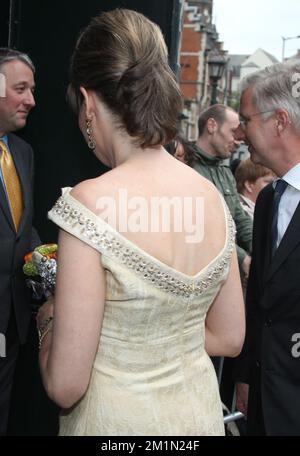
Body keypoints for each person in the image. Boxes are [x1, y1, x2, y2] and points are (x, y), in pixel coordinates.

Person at [37, 9, 245, 436]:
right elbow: (229, 336)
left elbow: (65, 385)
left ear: (88, 101)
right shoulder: (210, 196)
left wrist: (49, 320)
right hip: (197, 420)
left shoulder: (89, 205)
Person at [234, 61, 300, 435]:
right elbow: (259, 298)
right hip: (263, 401)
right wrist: (245, 375)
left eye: (246, 120)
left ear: (279, 121)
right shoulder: (270, 200)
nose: (241, 133)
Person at [0, 48, 38, 435]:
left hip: (12, 319)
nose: (31, 100)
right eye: (21, 88)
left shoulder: (22, 152)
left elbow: (21, 228)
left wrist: (48, 260)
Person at [193, 105, 253, 280]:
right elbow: (201, 228)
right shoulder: (187, 167)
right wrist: (241, 257)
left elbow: (239, 218)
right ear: (212, 126)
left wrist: (262, 246)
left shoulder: (225, 172)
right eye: (234, 131)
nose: (239, 139)